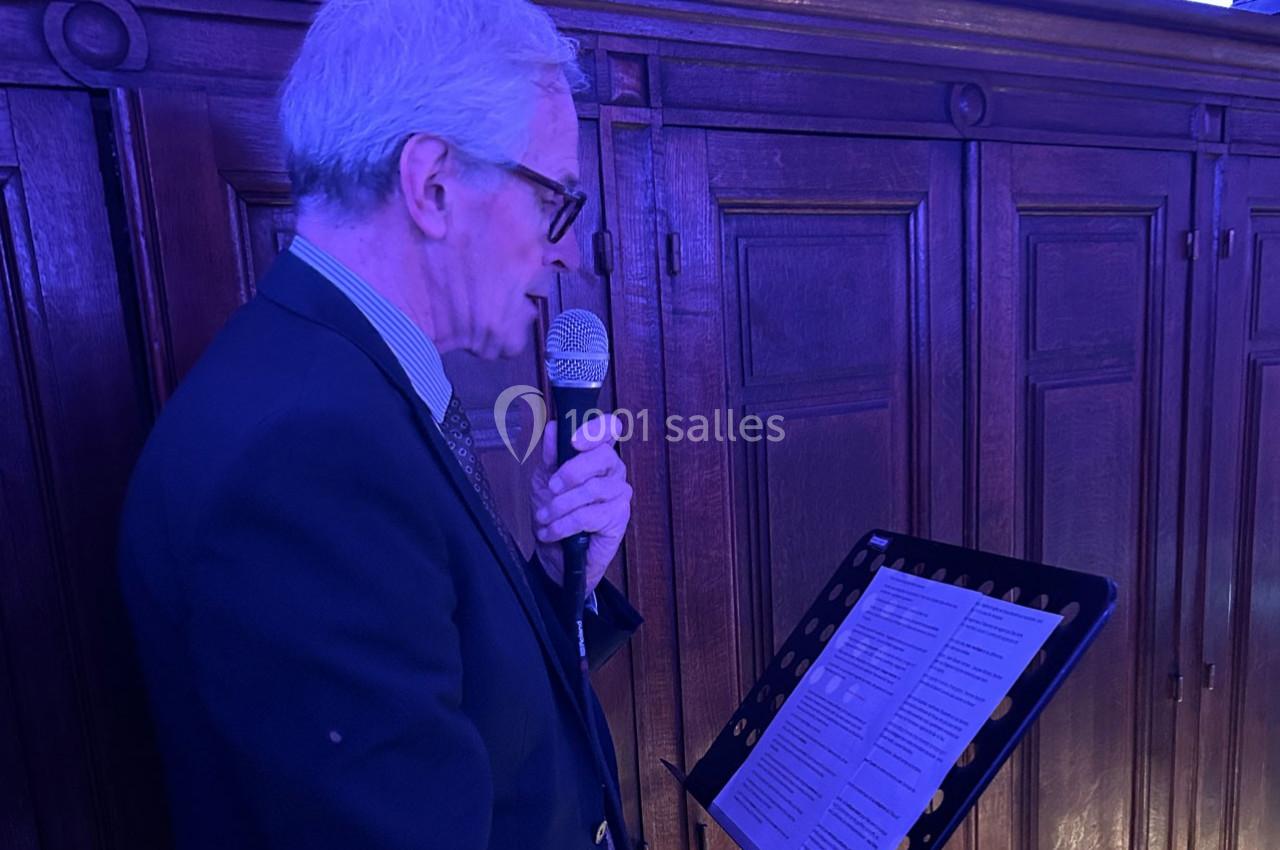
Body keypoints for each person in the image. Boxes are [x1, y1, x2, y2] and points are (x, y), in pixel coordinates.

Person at [116, 1, 640, 847]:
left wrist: (559, 580)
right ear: (432, 185)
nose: (568, 252)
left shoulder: (342, 380)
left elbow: (453, 701)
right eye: (557, 199)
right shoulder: (302, 457)